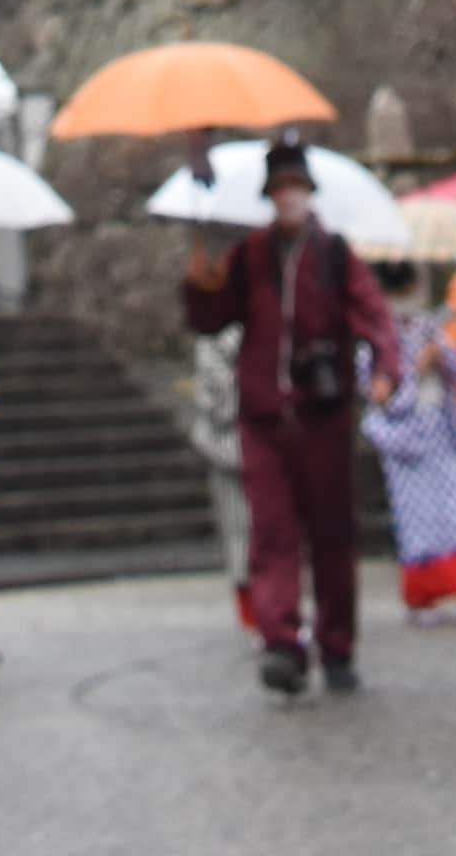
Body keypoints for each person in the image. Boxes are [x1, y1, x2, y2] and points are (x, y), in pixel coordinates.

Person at [181, 136, 405, 700]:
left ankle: (337, 644)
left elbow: (373, 313)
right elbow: (211, 319)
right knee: (272, 534)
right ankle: (281, 640)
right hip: (263, 416)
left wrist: (385, 367)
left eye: (296, 188)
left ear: (308, 192)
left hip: (322, 415)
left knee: (332, 535)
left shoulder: (334, 255)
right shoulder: (248, 257)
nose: (288, 198)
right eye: (280, 189)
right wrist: (199, 282)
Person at [360, 257, 456, 622]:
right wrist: (412, 373)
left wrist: (440, 355)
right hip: (404, 432)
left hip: (438, 427)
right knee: (417, 517)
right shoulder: (375, 338)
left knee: (454, 508)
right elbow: (375, 391)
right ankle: (422, 596)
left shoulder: (429, 325)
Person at [182, 322, 257, 628]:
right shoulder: (213, 333)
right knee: (238, 530)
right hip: (227, 441)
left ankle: (272, 608)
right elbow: (214, 396)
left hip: (266, 439)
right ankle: (251, 608)